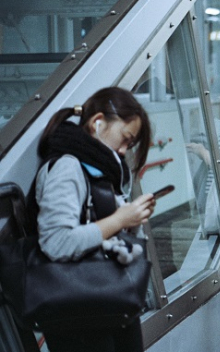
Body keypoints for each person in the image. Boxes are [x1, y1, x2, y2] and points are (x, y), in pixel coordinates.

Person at [35, 87, 154, 352]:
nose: (123, 151)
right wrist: (121, 219)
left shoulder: (94, 167)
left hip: (103, 306)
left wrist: (130, 219)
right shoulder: (67, 167)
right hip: (81, 317)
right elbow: (57, 242)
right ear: (97, 122)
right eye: (125, 138)